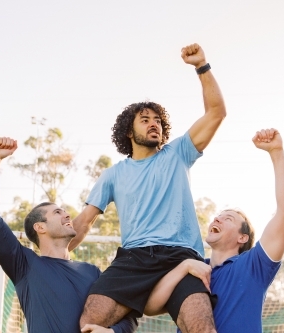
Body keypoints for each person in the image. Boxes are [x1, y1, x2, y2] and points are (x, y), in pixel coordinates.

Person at [69, 43, 226, 333]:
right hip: (134, 259)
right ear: (129, 132)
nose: (154, 125)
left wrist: (201, 66)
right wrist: (54, 252)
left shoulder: (178, 153)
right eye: (145, 120)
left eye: (157, 121)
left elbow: (216, 112)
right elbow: (84, 222)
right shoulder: (114, 175)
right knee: (89, 323)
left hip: (183, 256)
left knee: (203, 328)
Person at [0, 137, 137, 333]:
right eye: (57, 212)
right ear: (40, 227)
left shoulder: (92, 272)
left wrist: (113, 332)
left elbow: (126, 314)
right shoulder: (24, 265)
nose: (67, 214)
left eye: (64, 210)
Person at [144, 128, 284, 333]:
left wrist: (276, 152)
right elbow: (150, 307)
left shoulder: (254, 265)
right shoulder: (193, 270)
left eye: (228, 218)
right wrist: (184, 267)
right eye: (218, 216)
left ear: (242, 237)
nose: (217, 218)